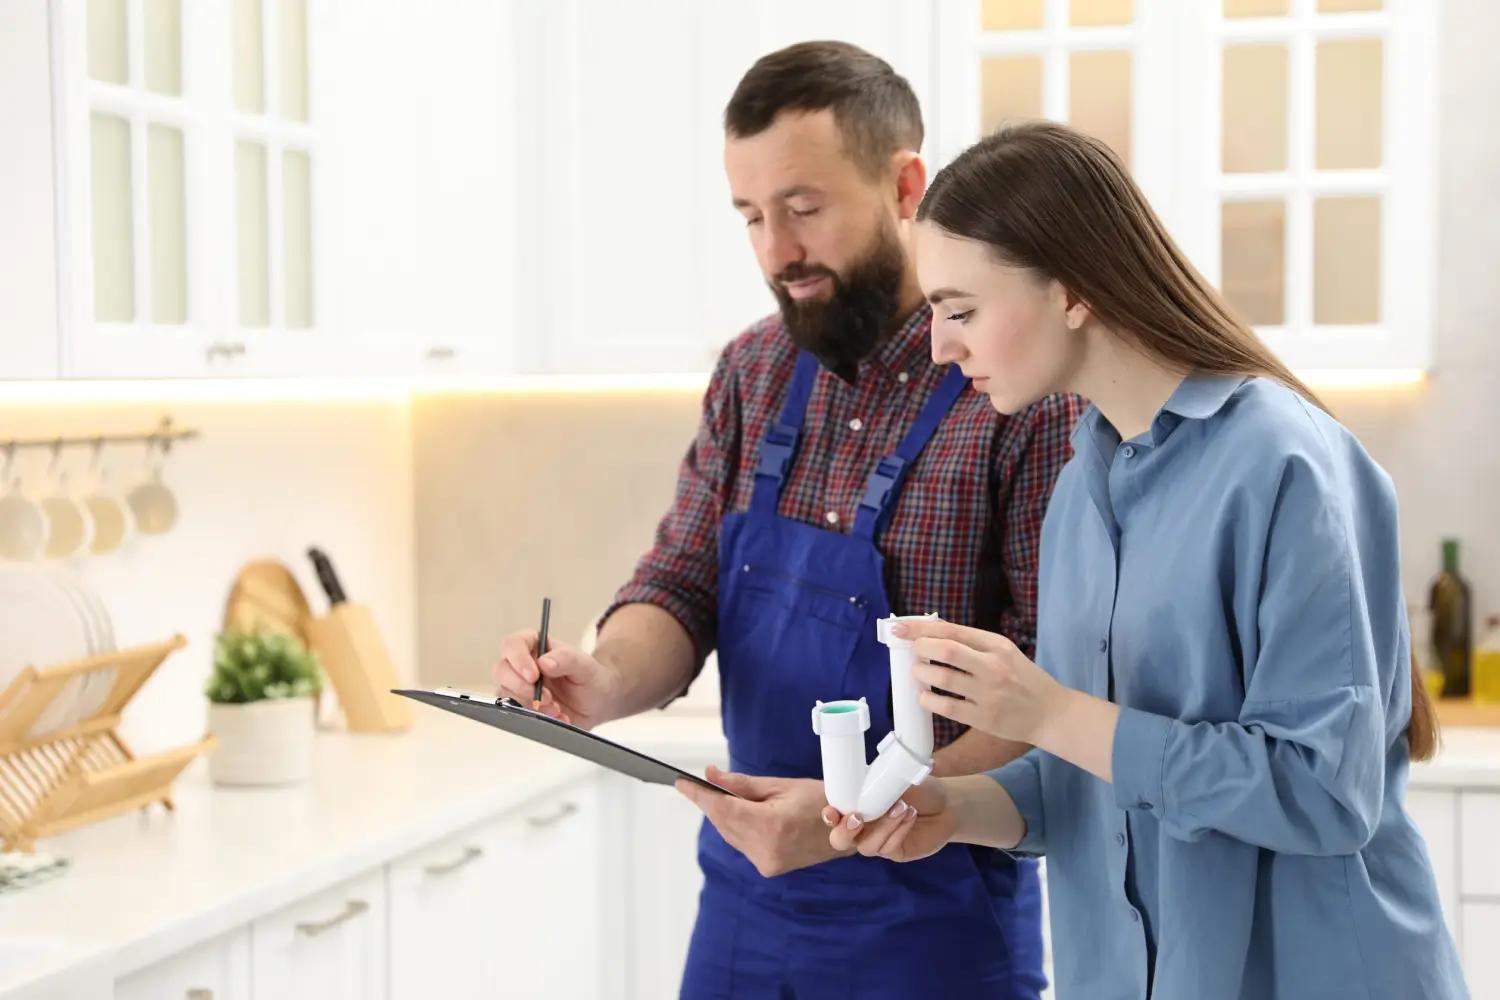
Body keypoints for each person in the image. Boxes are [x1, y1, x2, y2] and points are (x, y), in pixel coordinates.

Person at [827, 118, 1469, 1000]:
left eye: (961, 310)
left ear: (1073, 291)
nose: (941, 345)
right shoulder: (1080, 491)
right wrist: (954, 811)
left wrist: (1050, 711)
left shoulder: (1284, 464)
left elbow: (1323, 793)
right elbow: (1099, 781)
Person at [493, 42, 1082, 999]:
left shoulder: (1015, 393)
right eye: (751, 216)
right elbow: (681, 582)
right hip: (747, 902)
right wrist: (602, 680)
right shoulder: (750, 371)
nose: (776, 252)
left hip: (933, 914)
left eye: (803, 208)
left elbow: (1052, 686)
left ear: (904, 186)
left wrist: (868, 808)